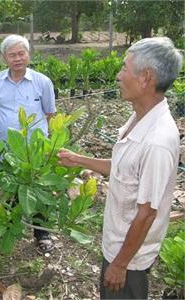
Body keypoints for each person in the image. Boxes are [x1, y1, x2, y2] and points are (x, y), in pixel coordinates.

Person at [58, 37, 183, 299]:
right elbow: (125, 170)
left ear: (145, 78)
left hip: (130, 259)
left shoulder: (157, 141)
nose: (117, 75)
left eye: (124, 68)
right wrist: (79, 159)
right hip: (118, 244)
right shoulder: (139, 118)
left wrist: (119, 265)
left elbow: (147, 213)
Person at [0, 34, 56, 253]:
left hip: (34, 149)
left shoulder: (43, 82)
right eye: (12, 55)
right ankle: (10, 232)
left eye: (21, 53)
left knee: (38, 189)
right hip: (7, 148)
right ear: (4, 58)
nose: (18, 58)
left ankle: (42, 233)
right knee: (10, 190)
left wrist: (48, 145)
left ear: (28, 54)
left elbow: (50, 114)